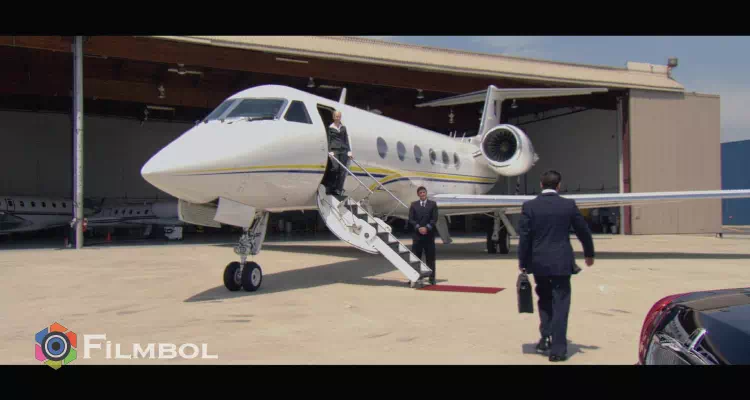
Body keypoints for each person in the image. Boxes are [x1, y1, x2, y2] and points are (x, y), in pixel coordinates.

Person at [517, 170, 595, 362]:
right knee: (561, 303)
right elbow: (583, 231)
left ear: (541, 185)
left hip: (539, 262)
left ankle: (545, 337)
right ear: (559, 186)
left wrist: (523, 263)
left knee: (544, 299)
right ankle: (558, 350)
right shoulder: (568, 205)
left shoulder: (530, 206)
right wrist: (589, 253)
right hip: (561, 262)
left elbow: (525, 238)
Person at [408, 186, 438, 284]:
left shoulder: (432, 204)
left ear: (426, 193)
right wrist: (418, 228)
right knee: (416, 258)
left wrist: (427, 228)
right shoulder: (414, 205)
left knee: (430, 258)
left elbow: (434, 219)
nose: (422, 194)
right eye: (420, 193)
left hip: (429, 235)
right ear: (418, 194)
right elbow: (411, 219)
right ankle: (414, 277)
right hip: (417, 236)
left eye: (424, 192)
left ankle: (432, 278)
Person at [325, 111, 353, 196]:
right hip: (335, 150)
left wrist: (349, 151)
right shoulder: (330, 127)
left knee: (342, 170)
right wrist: (329, 150)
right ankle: (330, 187)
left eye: (339, 116)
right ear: (333, 117)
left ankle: (338, 189)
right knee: (335, 168)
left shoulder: (343, 128)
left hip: (343, 150)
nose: (338, 118)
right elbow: (329, 140)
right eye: (336, 116)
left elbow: (346, 140)